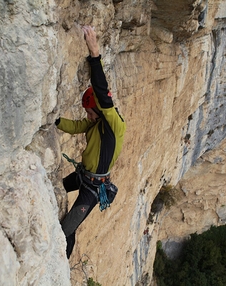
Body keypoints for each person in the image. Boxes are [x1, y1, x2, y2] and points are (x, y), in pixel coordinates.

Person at [55, 25, 126, 259]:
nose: (88, 116)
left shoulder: (113, 125)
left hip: (94, 189)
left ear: (99, 109)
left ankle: (61, 264)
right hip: (83, 176)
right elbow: (76, 126)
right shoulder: (95, 124)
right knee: (56, 189)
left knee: (67, 229)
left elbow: (102, 91)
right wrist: (54, 121)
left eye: (90, 112)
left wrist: (94, 53)